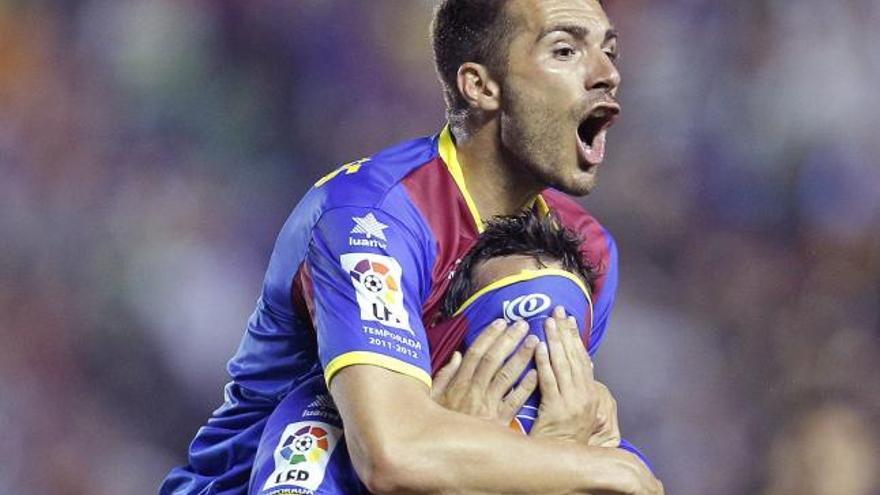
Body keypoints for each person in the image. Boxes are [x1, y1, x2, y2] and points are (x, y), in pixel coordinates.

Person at [162, 0, 663, 493]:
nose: (607, 73)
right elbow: (393, 457)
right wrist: (606, 469)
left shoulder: (586, 250)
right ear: (481, 86)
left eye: (609, 51)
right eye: (565, 51)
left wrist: (559, 444)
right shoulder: (371, 216)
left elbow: (540, 427)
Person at [247, 211, 655, 495]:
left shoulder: (610, 460)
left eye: (555, 354)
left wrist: (547, 457)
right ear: (442, 341)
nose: (527, 374)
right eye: (501, 341)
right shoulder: (329, 421)